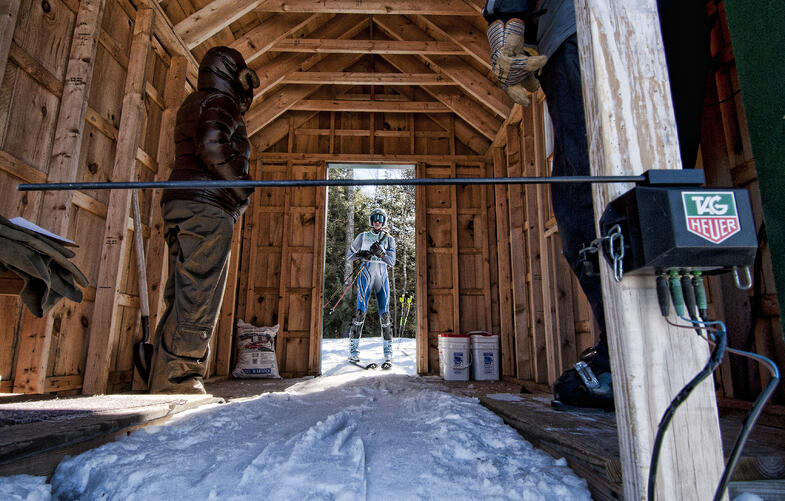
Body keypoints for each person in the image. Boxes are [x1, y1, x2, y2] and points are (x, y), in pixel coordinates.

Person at [483, 0, 710, 409]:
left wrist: (505, 17)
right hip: (674, 23)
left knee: (585, 196)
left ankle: (623, 360)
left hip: (584, 29)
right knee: (667, 179)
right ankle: (673, 348)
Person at [148, 46, 260, 394]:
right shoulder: (220, 101)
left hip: (183, 203)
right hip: (207, 208)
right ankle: (179, 380)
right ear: (233, 75)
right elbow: (212, 145)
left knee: (182, 294)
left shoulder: (195, 102)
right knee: (199, 296)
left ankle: (164, 377)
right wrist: (242, 187)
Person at [345, 208, 397, 368]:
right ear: (371, 220)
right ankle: (353, 351)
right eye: (375, 218)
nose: (377, 221)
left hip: (382, 277)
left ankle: (388, 352)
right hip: (365, 276)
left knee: (385, 314)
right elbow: (349, 256)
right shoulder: (363, 236)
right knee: (360, 312)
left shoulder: (389, 239)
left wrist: (381, 254)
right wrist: (361, 254)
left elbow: (392, 262)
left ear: (384, 221)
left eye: (381, 219)